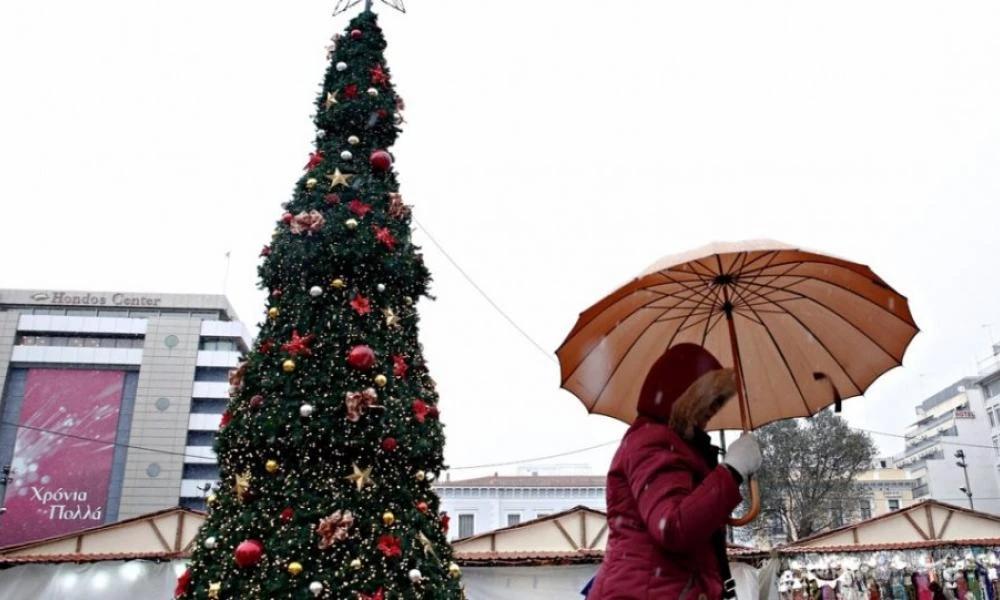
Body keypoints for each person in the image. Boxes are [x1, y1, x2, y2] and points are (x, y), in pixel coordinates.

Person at [584, 344, 763, 600]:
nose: (710, 415)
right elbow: (672, 526)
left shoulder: (678, 446)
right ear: (684, 399)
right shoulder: (653, 441)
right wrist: (732, 471)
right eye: (707, 404)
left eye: (716, 405)